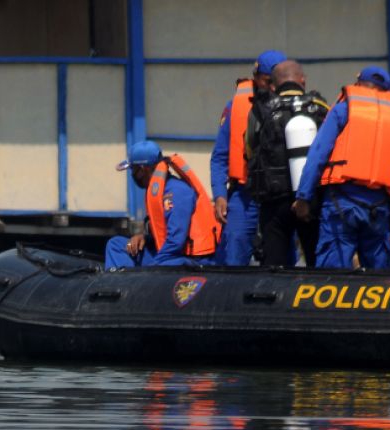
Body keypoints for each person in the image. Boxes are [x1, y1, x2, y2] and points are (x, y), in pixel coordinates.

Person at [292, 66, 390, 269]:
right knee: (380, 277)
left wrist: (303, 197)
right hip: (377, 207)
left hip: (340, 203)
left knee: (332, 274)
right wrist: (388, 194)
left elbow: (317, 155)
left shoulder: (343, 109)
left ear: (358, 84)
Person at [246, 59, 329, 267]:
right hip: (311, 199)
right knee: (316, 260)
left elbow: (250, 148)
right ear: (303, 80)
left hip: (275, 202)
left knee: (274, 263)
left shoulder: (260, 110)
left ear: (273, 86)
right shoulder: (319, 106)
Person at [209, 49, 287, 265]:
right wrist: (219, 195)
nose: (272, 87)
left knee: (284, 257)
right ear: (255, 78)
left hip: (281, 196)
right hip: (245, 195)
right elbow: (219, 157)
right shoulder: (236, 106)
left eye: (276, 81)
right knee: (235, 245)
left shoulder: (293, 105)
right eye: (267, 81)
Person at [105, 141, 220, 269]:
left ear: (142, 169)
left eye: (133, 169)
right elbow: (161, 234)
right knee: (116, 245)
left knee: (165, 263)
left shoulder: (177, 192)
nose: (132, 174)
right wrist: (144, 238)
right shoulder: (156, 192)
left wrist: (152, 268)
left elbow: (176, 242)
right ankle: (120, 283)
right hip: (168, 255)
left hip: (190, 260)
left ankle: (138, 281)